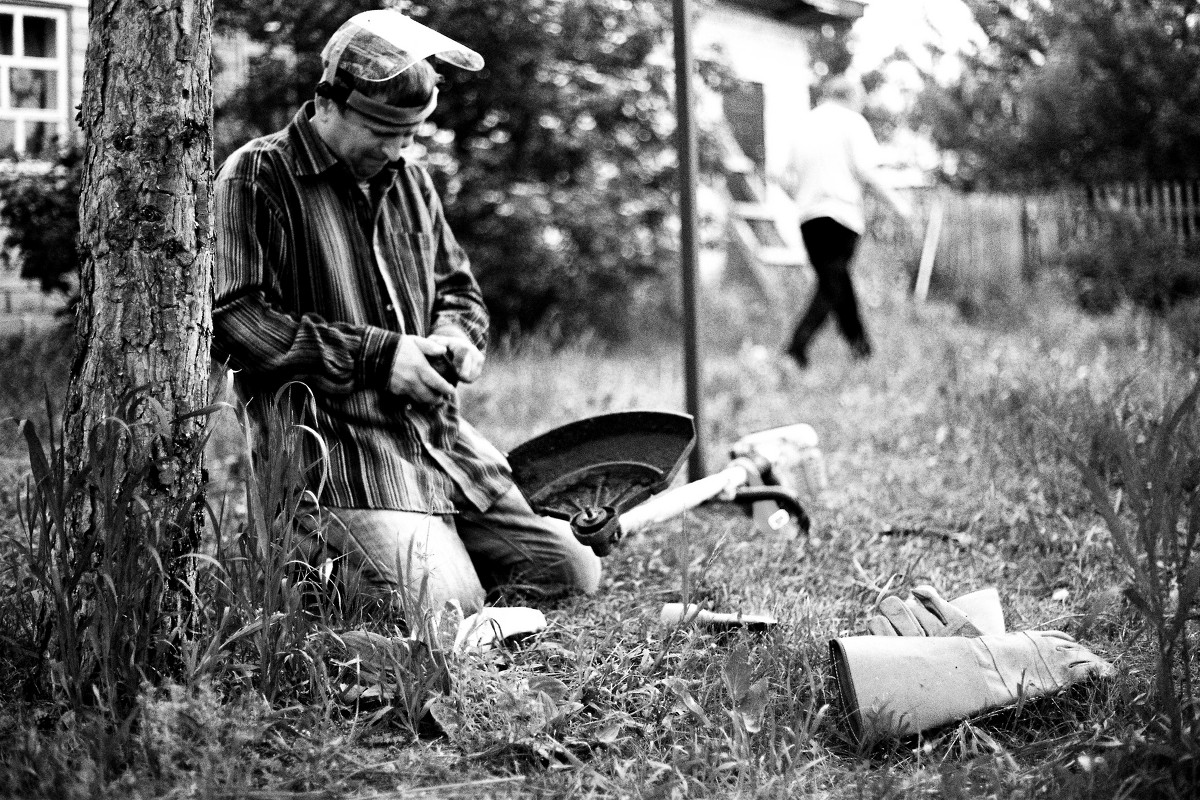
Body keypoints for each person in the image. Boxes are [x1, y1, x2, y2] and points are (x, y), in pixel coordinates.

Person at [212, 9, 601, 623]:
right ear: (327, 102)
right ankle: (308, 551)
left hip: (436, 443)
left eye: (410, 133)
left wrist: (453, 337)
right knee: (449, 606)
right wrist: (380, 356)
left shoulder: (412, 180)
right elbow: (235, 319)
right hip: (336, 454)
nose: (396, 149)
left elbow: (459, 291)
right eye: (381, 131)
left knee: (573, 569)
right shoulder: (257, 176)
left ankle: (415, 556)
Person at [780, 75, 914, 368]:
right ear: (852, 97)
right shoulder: (853, 123)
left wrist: (802, 196)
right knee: (832, 285)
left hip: (809, 218)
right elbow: (867, 171)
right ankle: (795, 348)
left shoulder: (804, 124)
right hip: (841, 216)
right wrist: (898, 205)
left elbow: (783, 176)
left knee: (835, 281)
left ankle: (860, 349)